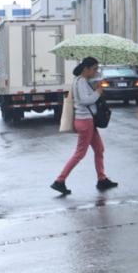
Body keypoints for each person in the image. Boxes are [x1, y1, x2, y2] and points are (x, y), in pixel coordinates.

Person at [52, 57, 119, 196]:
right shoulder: (81, 81)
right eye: (94, 69)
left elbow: (85, 97)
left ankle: (102, 179)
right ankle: (60, 180)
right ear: (86, 69)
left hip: (87, 121)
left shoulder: (79, 80)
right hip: (85, 121)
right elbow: (84, 100)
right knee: (80, 153)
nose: (95, 71)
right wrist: (97, 92)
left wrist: (94, 89)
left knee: (99, 149)